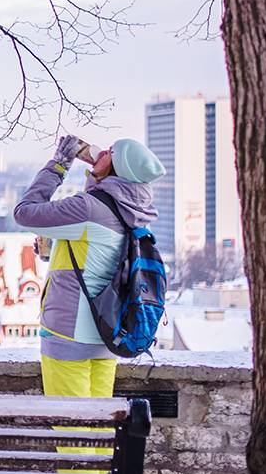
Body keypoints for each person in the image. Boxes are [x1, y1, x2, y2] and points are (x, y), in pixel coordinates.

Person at [13, 135, 165, 399]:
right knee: (99, 426)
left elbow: (24, 212)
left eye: (111, 152)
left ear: (117, 168)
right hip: (107, 332)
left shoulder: (88, 208)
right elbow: (98, 253)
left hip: (69, 332)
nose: (101, 151)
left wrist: (59, 165)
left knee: (72, 430)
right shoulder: (133, 211)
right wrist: (55, 250)